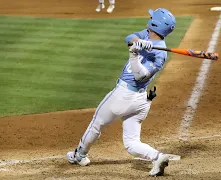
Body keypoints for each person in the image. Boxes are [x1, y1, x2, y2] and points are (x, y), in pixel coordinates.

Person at [66, 8, 176, 177]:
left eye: (151, 17)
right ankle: (157, 157)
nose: (149, 16)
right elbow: (129, 37)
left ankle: (79, 155)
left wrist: (134, 54)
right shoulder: (146, 34)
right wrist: (137, 42)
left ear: (155, 23)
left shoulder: (160, 54)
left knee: (97, 123)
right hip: (140, 102)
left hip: (125, 96)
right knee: (131, 143)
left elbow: (140, 76)